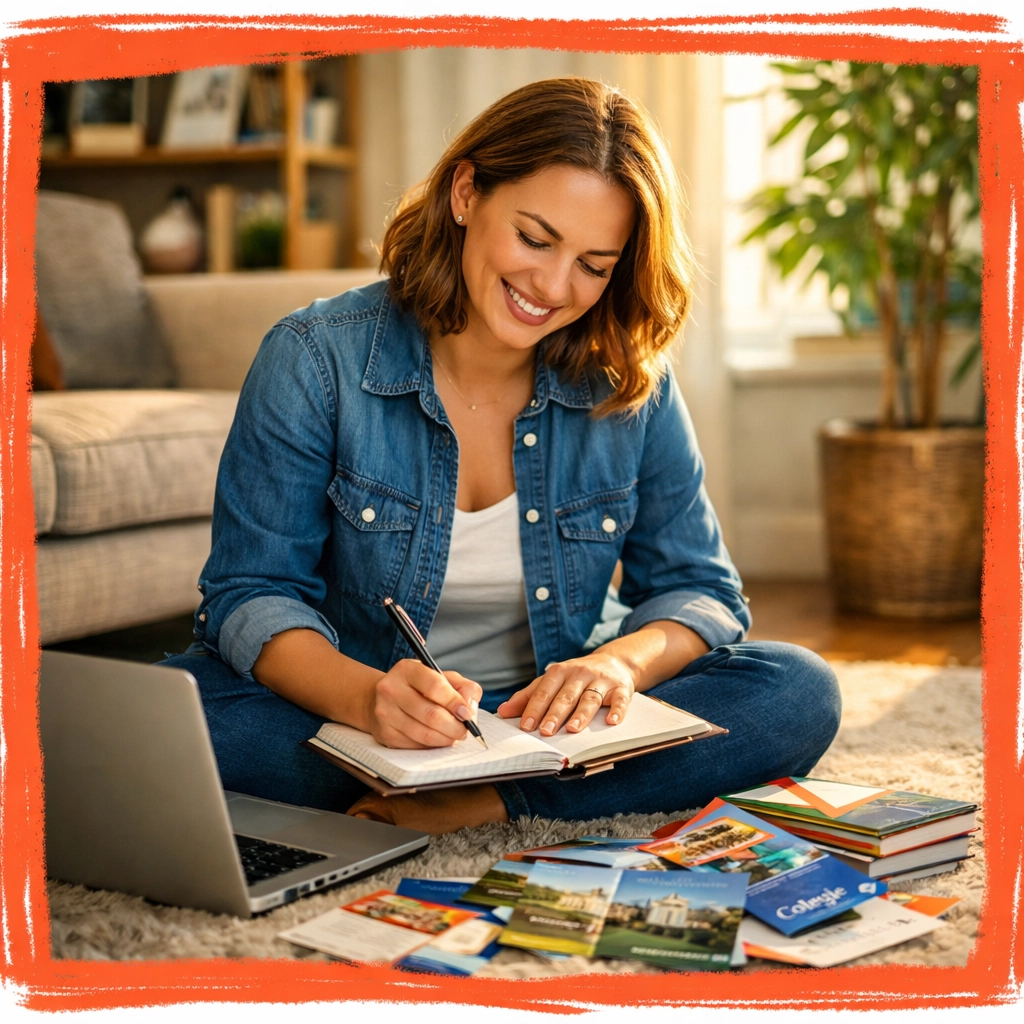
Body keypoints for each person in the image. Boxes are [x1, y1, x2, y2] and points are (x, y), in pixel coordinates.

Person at [161, 78, 840, 835]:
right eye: (535, 238)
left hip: (548, 722)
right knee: (172, 716)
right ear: (465, 192)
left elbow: (699, 591)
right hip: (359, 709)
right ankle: (457, 782)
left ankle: (489, 800)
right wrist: (369, 701)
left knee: (795, 690)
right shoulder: (315, 358)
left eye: (594, 263)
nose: (552, 286)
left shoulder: (628, 377)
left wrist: (617, 666)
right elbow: (250, 594)